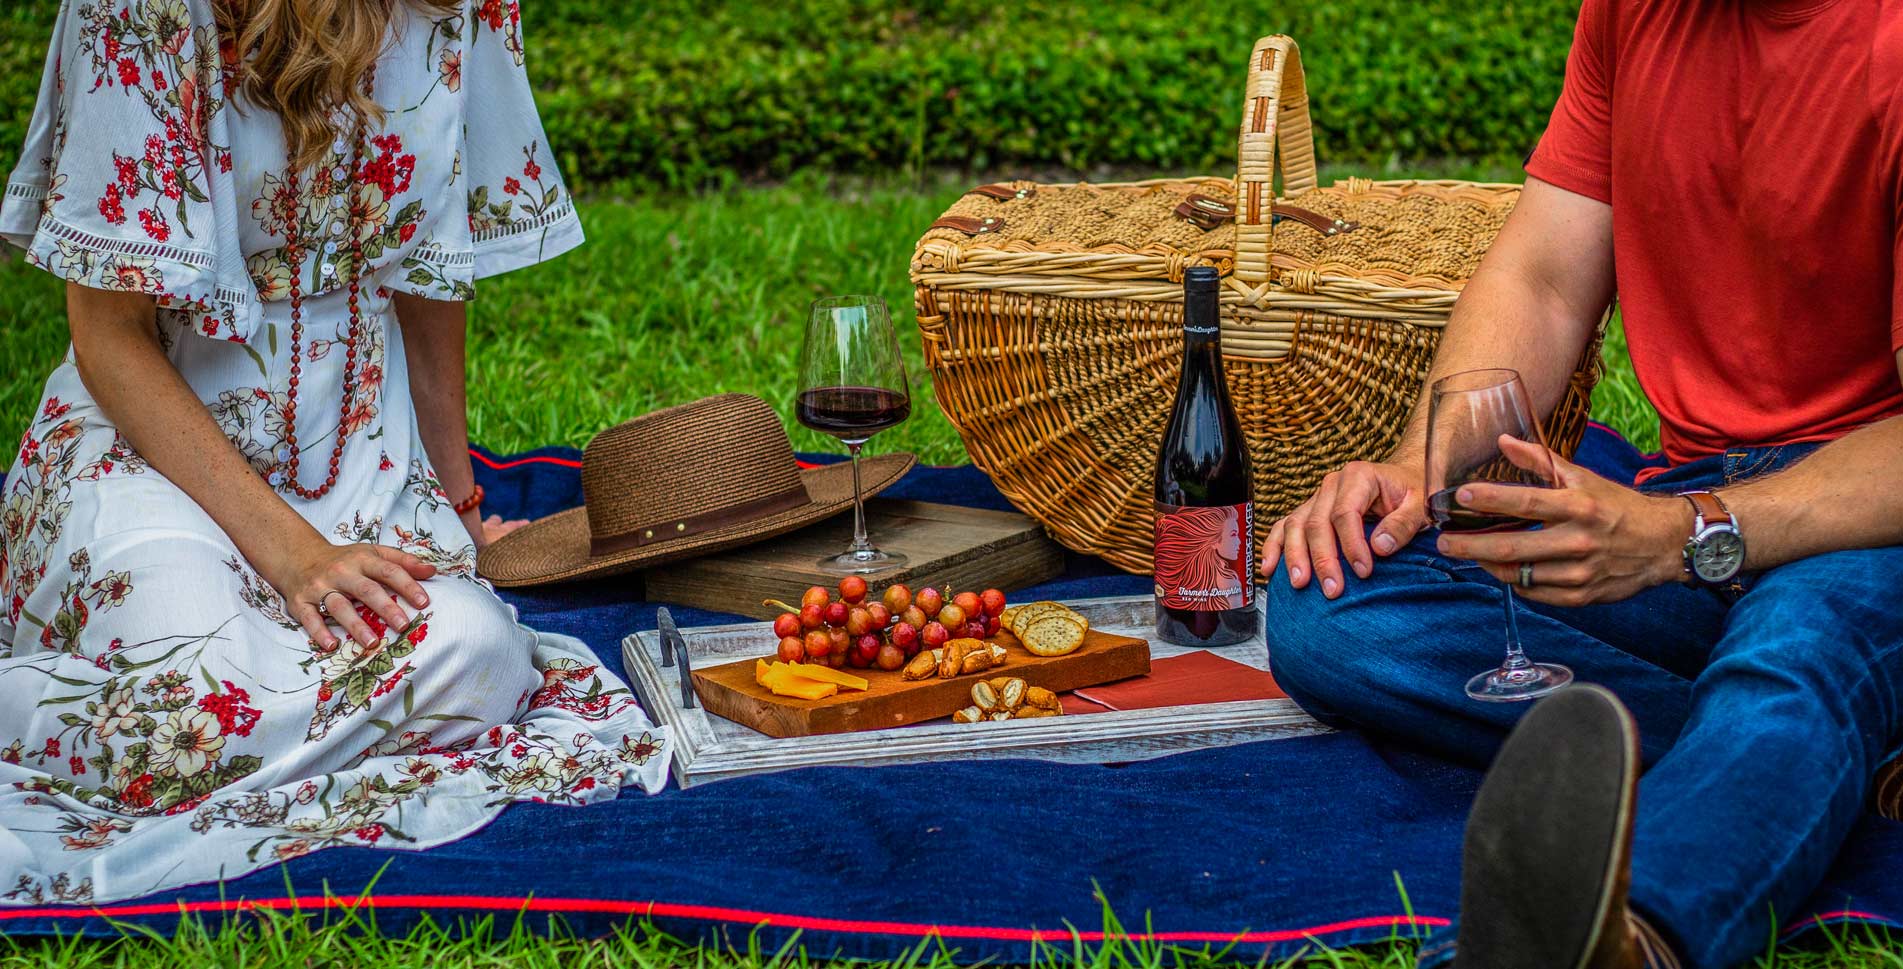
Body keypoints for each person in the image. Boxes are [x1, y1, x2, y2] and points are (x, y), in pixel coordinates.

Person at [1258, 1, 1903, 967]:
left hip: (1857, 519)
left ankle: (1623, 936)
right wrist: (1411, 472)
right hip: (1678, 501)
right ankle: (1820, 755)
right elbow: (1543, 280)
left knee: (1799, 643)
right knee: (1332, 599)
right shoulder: (1628, 11)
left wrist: (1682, 531)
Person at [0, 0, 669, 906]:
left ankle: (283, 703)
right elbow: (107, 336)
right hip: (152, 452)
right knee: (183, 721)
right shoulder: (137, 10)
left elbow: (431, 266)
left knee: (482, 652)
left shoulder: (451, 5)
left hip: (362, 452)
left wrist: (460, 503)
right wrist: (298, 559)